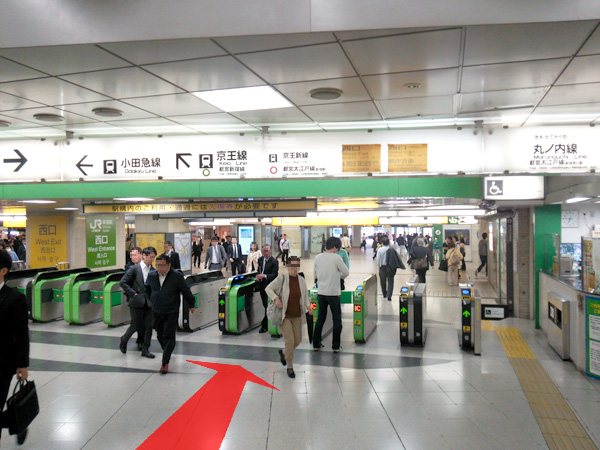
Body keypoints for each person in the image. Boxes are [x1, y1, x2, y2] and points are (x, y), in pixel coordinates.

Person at [146, 254, 195, 374]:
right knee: (159, 334)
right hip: (157, 310)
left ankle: (164, 362)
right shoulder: (152, 275)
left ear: (169, 265)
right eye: (158, 265)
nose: (160, 268)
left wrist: (191, 304)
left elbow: (186, 291)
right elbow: (147, 289)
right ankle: (167, 350)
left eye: (163, 265)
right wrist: (150, 302)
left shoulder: (176, 276)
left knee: (169, 335)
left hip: (171, 310)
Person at [0, 249, 30, 446]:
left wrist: (22, 365)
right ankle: (15, 421)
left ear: (3, 271)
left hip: (2, 364)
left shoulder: (14, 298)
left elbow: (21, 334)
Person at [266, 256, 311, 378]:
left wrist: (309, 306)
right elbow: (268, 288)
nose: (295, 269)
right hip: (284, 316)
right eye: (292, 266)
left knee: (298, 340)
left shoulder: (301, 280)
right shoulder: (282, 279)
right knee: (290, 341)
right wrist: (276, 299)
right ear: (288, 266)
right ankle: (290, 366)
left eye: (297, 266)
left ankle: (284, 353)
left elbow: (305, 296)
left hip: (297, 315)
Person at [312, 237, 349, 352]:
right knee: (337, 320)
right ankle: (336, 346)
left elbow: (315, 275)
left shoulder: (317, 258)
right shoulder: (337, 258)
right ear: (334, 247)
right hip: (333, 293)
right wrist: (338, 276)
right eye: (337, 248)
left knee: (320, 319)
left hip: (321, 293)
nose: (338, 250)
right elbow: (346, 272)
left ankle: (316, 343)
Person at [119, 246, 156, 359]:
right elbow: (123, 282)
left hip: (148, 303)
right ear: (144, 256)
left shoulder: (153, 270)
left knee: (149, 326)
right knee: (135, 325)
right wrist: (132, 293)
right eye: (150, 257)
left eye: (154, 257)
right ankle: (124, 339)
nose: (152, 260)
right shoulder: (134, 269)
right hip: (136, 302)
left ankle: (145, 349)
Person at [256, 244, 279, 333]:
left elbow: (274, 275)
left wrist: (264, 276)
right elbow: (259, 270)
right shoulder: (260, 260)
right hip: (261, 286)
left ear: (270, 251)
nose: (265, 253)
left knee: (267, 305)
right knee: (265, 305)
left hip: (269, 287)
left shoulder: (274, 262)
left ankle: (264, 325)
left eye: (267, 251)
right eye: (263, 251)